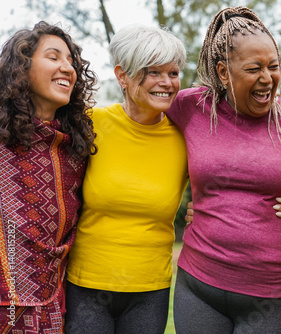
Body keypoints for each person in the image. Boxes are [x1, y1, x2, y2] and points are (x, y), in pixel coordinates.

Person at [167, 6, 281, 333]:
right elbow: (141, 124)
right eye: (254, 68)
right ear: (224, 72)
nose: (268, 79)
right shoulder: (190, 107)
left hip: (271, 296)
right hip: (199, 286)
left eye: (274, 66)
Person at [64, 25, 188, 334]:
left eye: (173, 73)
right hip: (86, 287)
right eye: (154, 72)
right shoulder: (92, 124)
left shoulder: (188, 138)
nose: (167, 83)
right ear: (122, 75)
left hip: (150, 291)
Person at [0, 21, 97, 333]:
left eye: (71, 61)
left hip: (55, 307)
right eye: (54, 57)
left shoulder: (77, 146)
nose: (68, 68)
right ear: (20, 70)